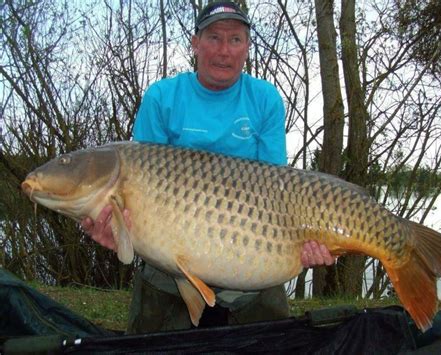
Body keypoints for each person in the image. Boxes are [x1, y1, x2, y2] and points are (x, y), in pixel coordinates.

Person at [82, 1, 335, 333]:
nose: (224, 51)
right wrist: (114, 227)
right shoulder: (162, 98)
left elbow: (279, 192)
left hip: (250, 262)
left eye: (235, 40)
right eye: (214, 38)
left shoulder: (265, 99)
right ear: (195, 43)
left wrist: (312, 242)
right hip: (168, 271)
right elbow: (135, 191)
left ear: (246, 48)